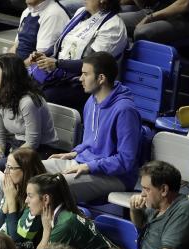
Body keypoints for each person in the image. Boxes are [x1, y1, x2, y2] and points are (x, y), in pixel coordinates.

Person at [42, 51, 140, 203]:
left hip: (114, 176)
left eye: (85, 74)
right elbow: (91, 142)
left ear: (101, 78)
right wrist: (74, 153)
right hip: (84, 162)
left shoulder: (125, 111)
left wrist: (90, 166)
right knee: (30, 171)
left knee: (54, 187)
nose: (80, 78)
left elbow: (125, 160)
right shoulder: (91, 101)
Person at [27, 0, 127, 111]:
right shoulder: (81, 12)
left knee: (41, 97)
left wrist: (57, 64)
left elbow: (93, 64)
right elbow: (62, 44)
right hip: (63, 75)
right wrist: (44, 55)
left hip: (86, 85)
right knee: (20, 83)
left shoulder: (113, 26)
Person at [26, 173, 113, 249]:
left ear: (46, 199)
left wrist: (46, 230)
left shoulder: (64, 224)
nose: (26, 201)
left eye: (30, 196)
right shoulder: (62, 214)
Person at [0, 54, 57, 172]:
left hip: (40, 150)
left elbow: (32, 142)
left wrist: (10, 158)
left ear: (8, 74)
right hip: (16, 144)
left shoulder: (28, 102)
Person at [0, 147, 47, 249]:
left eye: (10, 168)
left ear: (25, 170)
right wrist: (8, 199)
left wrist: (11, 202)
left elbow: (17, 239)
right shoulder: (12, 189)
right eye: (6, 166)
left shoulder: (36, 198)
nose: (5, 172)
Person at [119, 0, 189, 45]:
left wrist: (150, 18)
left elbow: (185, 5)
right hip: (154, 11)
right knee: (114, 20)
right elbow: (144, 5)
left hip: (183, 19)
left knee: (142, 32)